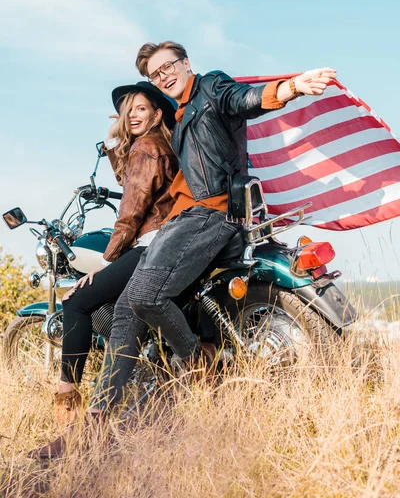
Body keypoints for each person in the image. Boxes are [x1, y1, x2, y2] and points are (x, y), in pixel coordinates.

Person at [124, 41, 337, 365]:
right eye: (155, 74)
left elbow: (242, 99)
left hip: (208, 214)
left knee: (143, 296)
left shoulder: (210, 87)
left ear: (185, 63)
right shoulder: (180, 121)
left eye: (167, 66)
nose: (163, 76)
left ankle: (197, 362)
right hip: (196, 216)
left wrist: (292, 87)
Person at [32, 81, 178, 458]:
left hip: (150, 242)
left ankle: (66, 398)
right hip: (165, 239)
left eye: (141, 108)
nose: (132, 114)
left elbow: (130, 212)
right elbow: (127, 182)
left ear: (157, 114)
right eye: (129, 108)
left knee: (77, 301)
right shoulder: (159, 146)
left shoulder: (147, 148)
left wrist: (109, 260)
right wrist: (115, 143)